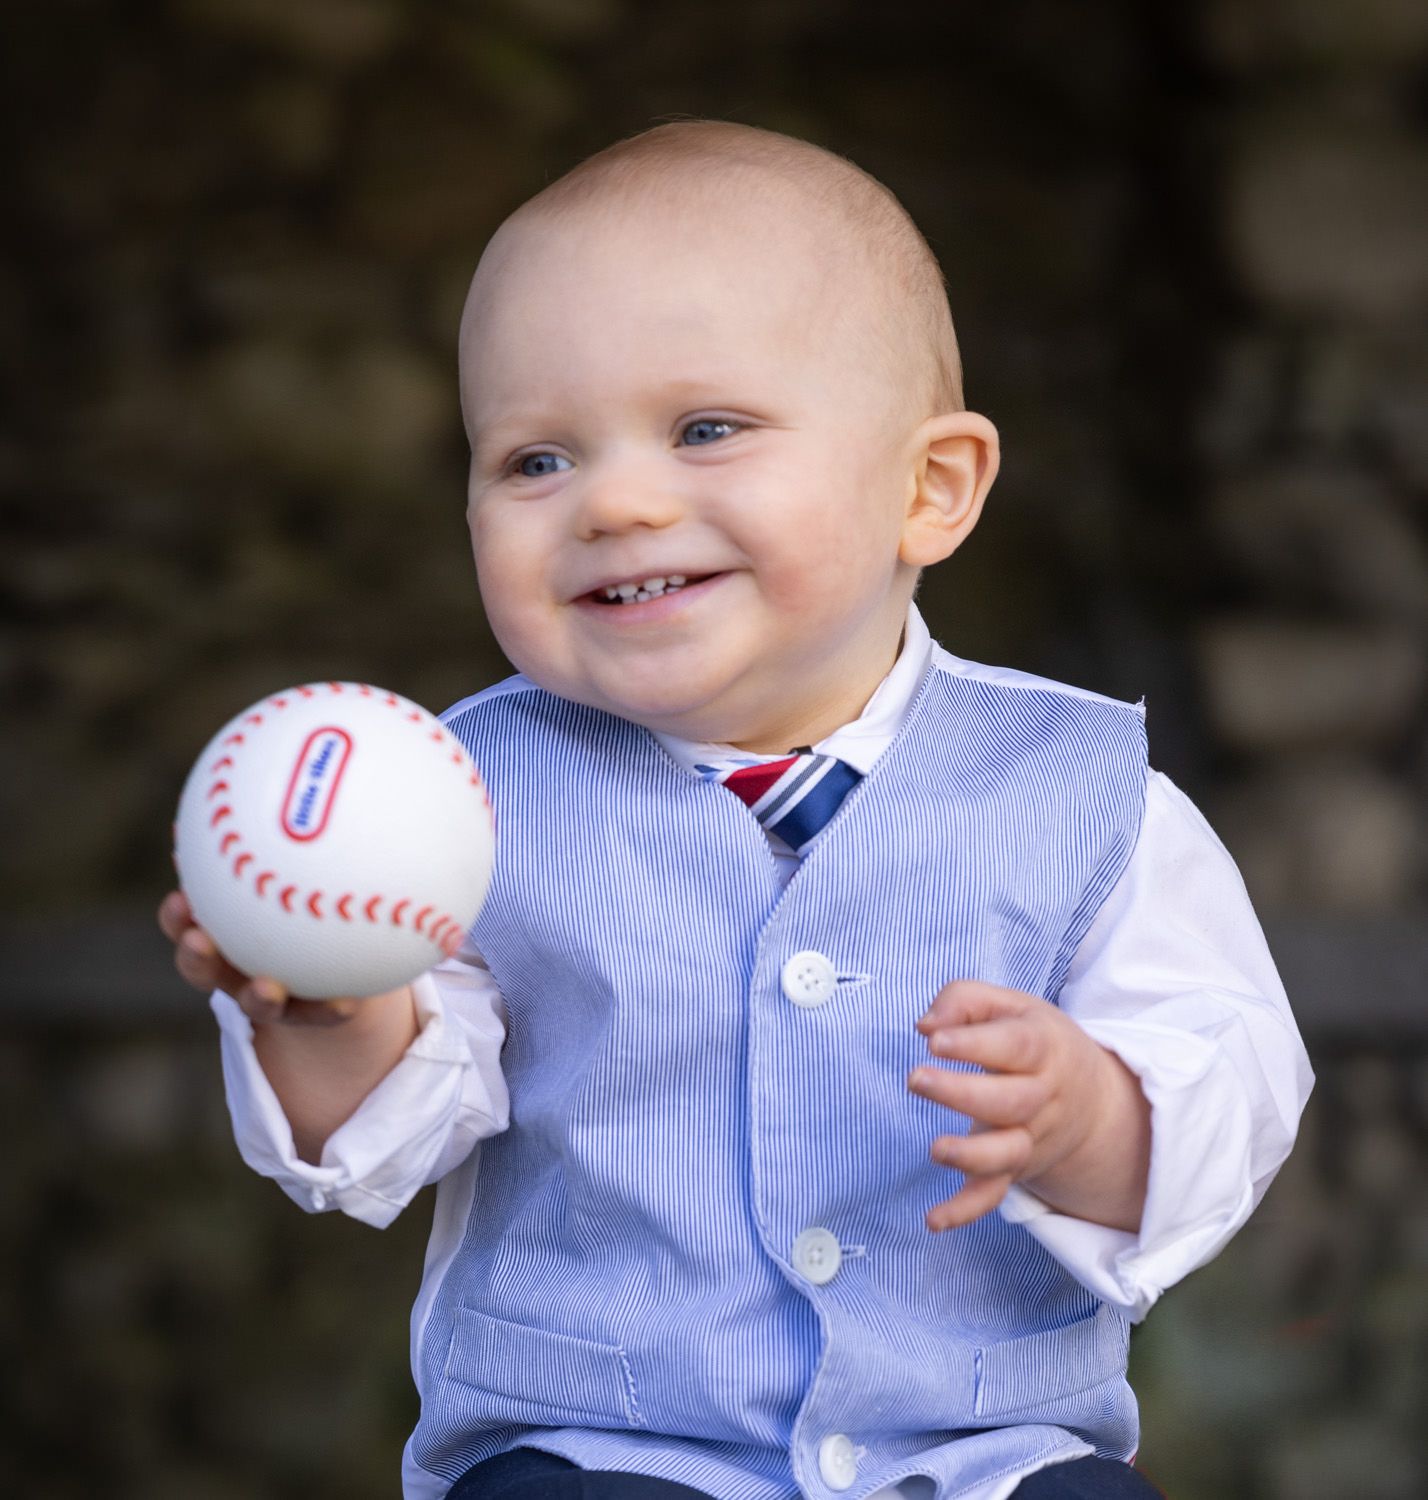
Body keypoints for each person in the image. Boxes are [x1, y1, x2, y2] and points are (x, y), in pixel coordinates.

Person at [158, 121, 1313, 1500]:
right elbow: (384, 1146)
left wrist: (1094, 1121)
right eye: (534, 461)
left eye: (706, 429)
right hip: (600, 1452)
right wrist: (334, 1010)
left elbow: (1232, 1087)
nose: (620, 502)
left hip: (983, 1459)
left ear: (927, 488)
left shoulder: (1082, 792)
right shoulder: (446, 803)